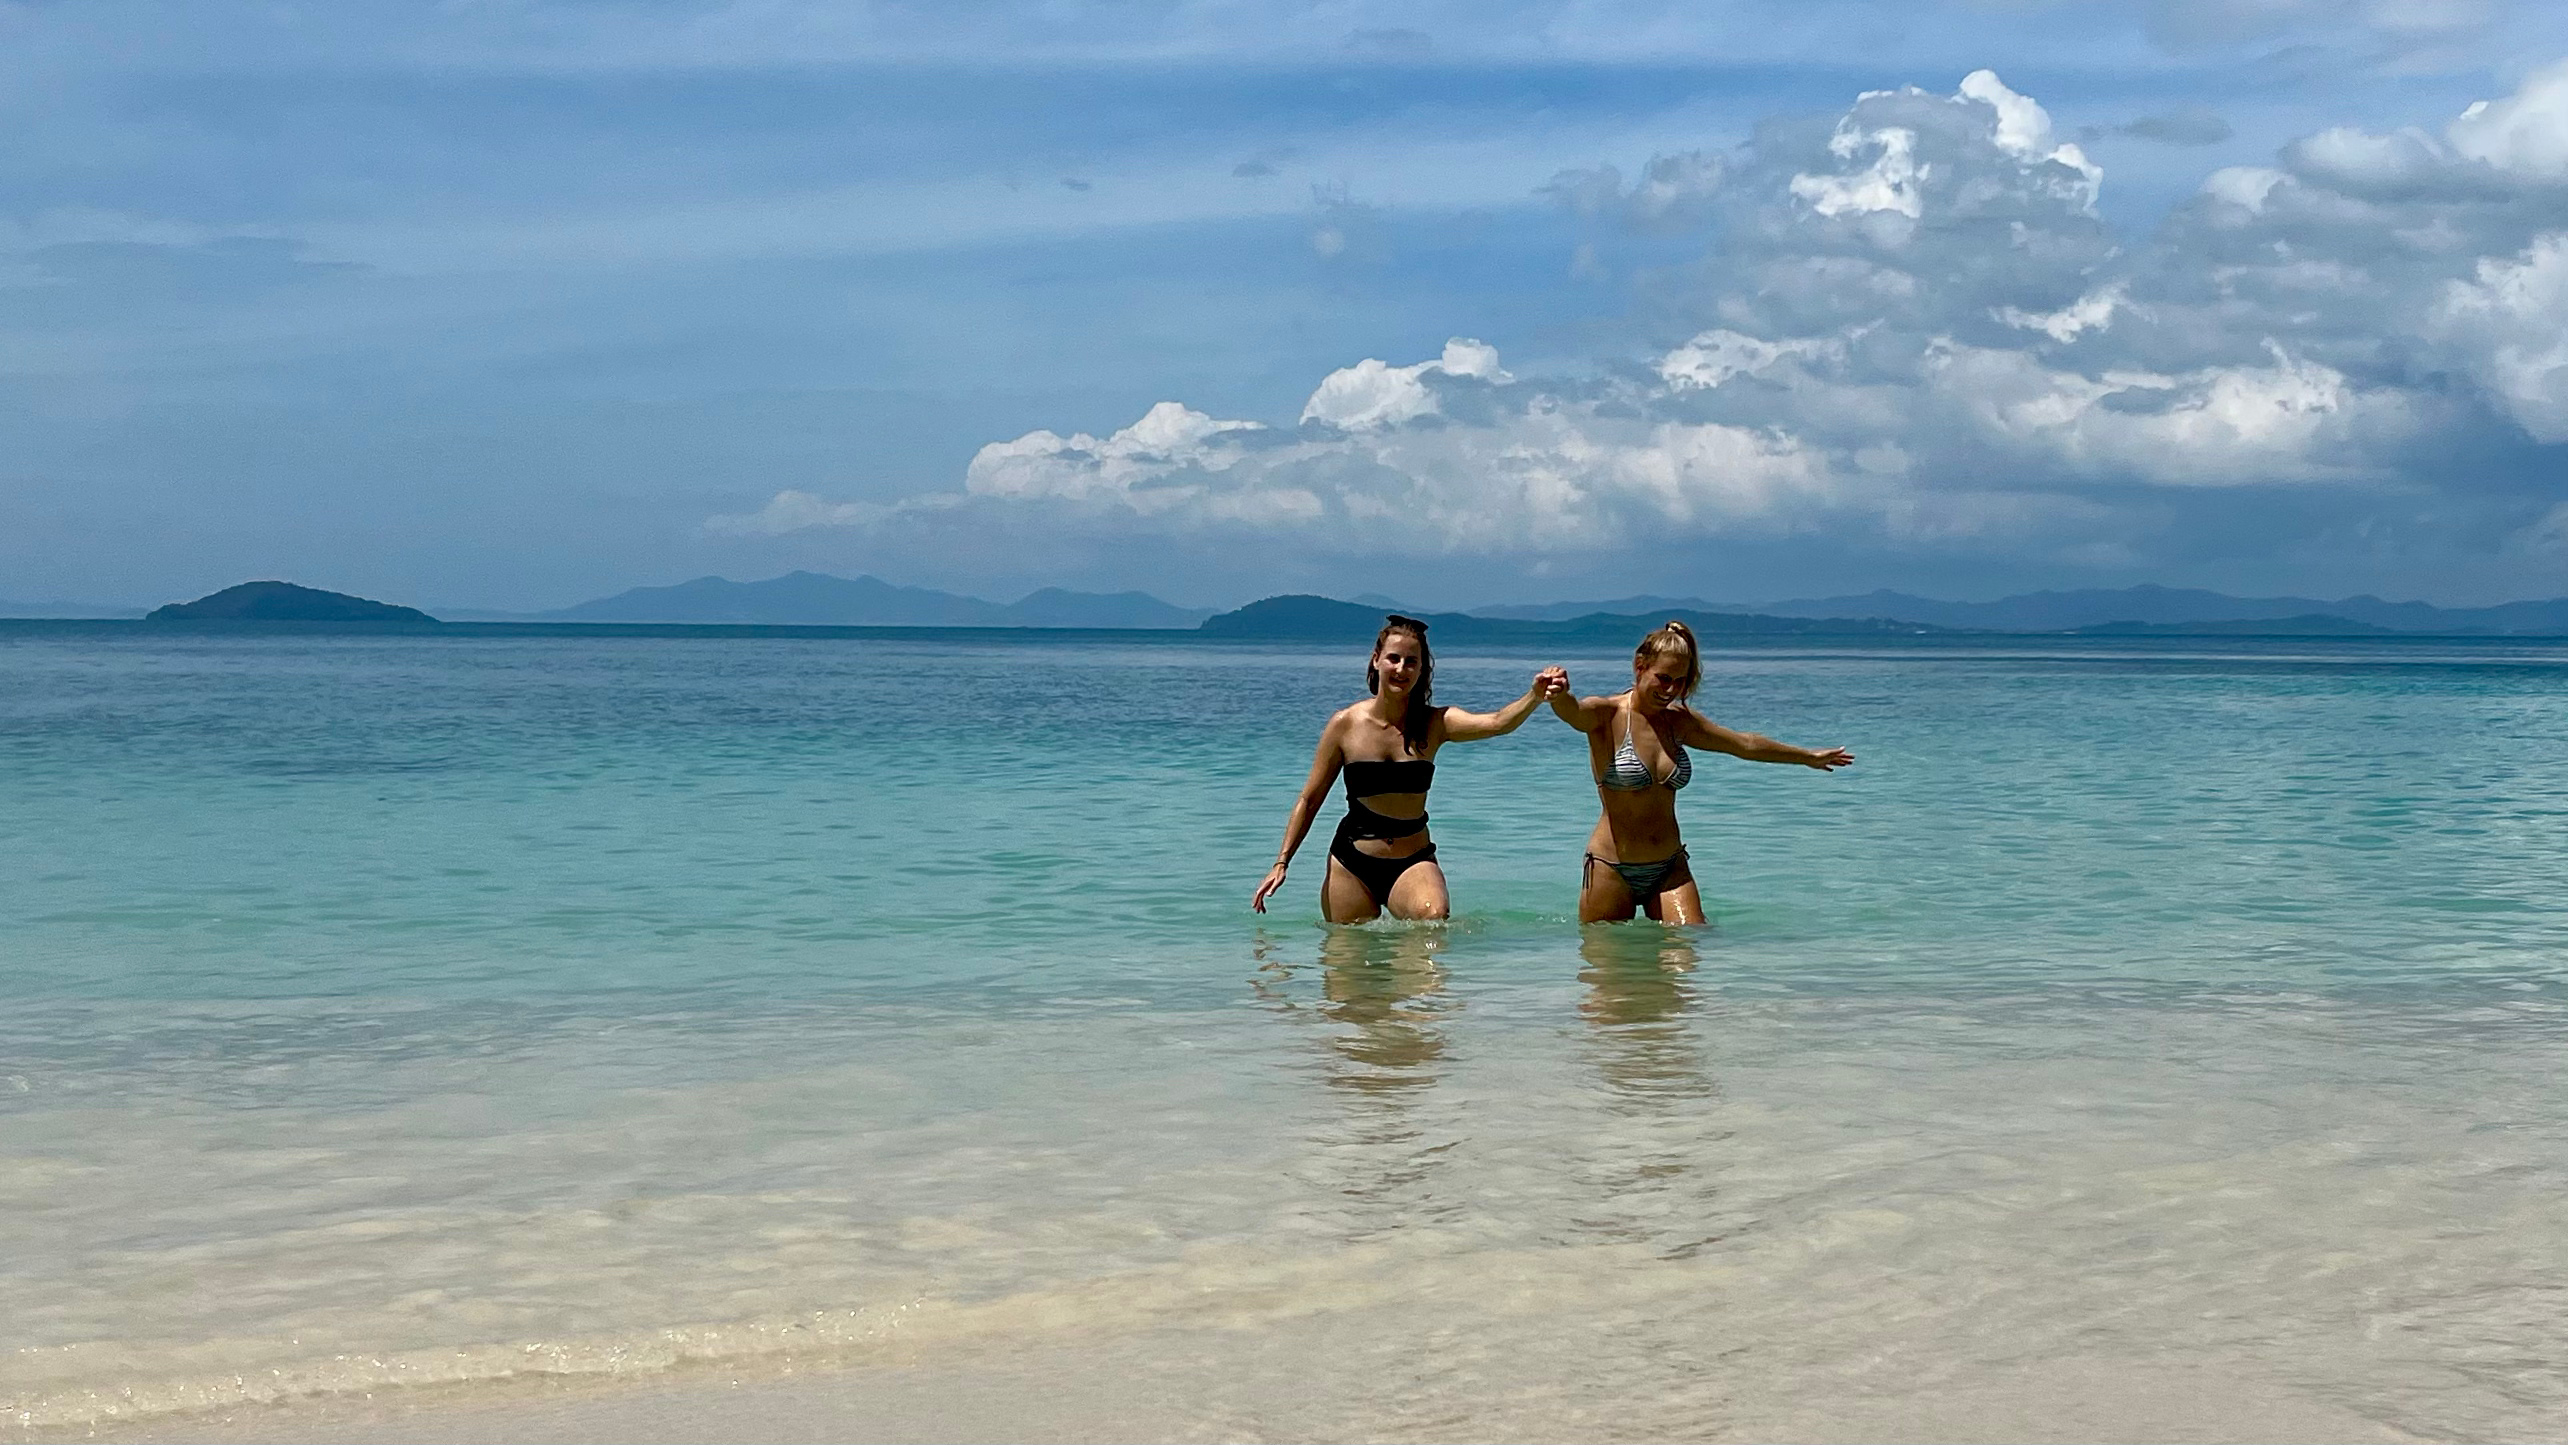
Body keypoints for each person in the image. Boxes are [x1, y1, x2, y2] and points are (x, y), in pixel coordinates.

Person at [1252, 615, 1568, 923]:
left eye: (1411, 662)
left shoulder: (1435, 724)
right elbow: (1309, 799)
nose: (1401, 669)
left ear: (1421, 670)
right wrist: (1282, 862)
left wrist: (1534, 696)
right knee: (1348, 965)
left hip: (1413, 861)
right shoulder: (1344, 725)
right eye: (1394, 658)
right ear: (1376, 660)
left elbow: (1498, 722)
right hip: (1351, 863)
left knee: (1433, 924)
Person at [1547, 620, 1853, 924]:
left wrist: (1806, 756)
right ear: (1640, 666)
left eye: (1679, 682)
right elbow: (1573, 712)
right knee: (1611, 968)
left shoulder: (1679, 722)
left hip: (1670, 868)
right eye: (1663, 678)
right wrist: (1558, 694)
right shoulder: (1607, 714)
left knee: (1687, 954)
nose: (1671, 690)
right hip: (1610, 866)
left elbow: (1743, 744)